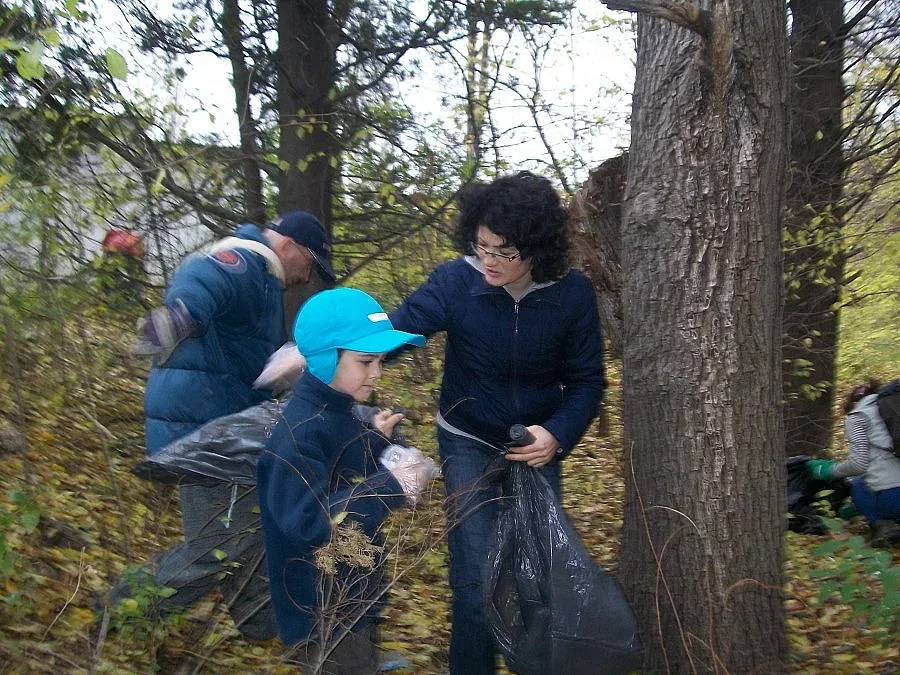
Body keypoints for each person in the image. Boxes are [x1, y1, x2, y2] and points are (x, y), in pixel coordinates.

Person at [388, 171, 607, 674]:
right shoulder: (456, 282)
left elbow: (587, 381)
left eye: (504, 252)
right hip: (466, 440)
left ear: (536, 249)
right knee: (473, 582)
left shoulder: (571, 295)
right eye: (481, 246)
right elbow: (394, 331)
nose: (488, 261)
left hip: (534, 446)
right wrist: (325, 354)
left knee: (535, 578)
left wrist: (557, 434)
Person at [111, 210, 336, 640]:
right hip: (201, 435)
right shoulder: (245, 261)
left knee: (250, 527)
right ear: (288, 245)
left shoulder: (265, 282)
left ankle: (265, 626)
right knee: (218, 545)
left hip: (220, 431)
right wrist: (179, 316)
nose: (307, 277)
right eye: (308, 264)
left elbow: (239, 356)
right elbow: (205, 281)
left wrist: (283, 367)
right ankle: (122, 608)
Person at [257, 287, 436, 673]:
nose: (376, 373)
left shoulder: (337, 412)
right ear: (323, 360)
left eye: (381, 361)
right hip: (321, 612)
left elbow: (343, 470)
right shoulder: (298, 435)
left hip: (353, 596)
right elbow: (310, 524)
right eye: (365, 362)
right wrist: (392, 485)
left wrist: (378, 443)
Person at [807, 379, 900, 548]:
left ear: (852, 404)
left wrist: (826, 470)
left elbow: (858, 465)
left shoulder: (858, 417)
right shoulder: (893, 406)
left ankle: (883, 526)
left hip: (894, 498)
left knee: (858, 484)